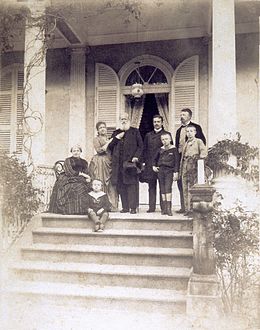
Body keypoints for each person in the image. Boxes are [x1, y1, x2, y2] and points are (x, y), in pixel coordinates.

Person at [108, 113, 143, 214]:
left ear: (129, 120)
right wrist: (117, 138)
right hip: (118, 164)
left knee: (131, 185)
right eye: (122, 119)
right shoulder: (116, 133)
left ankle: (133, 207)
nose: (123, 121)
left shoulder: (134, 132)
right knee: (121, 185)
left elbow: (140, 146)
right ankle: (125, 207)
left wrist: (136, 156)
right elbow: (110, 146)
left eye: (125, 119)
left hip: (130, 163)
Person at [175, 108, 206, 213]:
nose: (181, 116)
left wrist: (199, 162)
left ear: (189, 116)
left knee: (192, 184)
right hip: (182, 160)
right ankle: (185, 207)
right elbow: (177, 147)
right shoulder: (179, 130)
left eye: (183, 115)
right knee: (182, 185)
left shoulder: (196, 128)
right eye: (181, 114)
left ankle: (193, 208)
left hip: (194, 162)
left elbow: (203, 148)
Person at [142, 115, 173, 213]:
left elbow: (171, 149)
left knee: (163, 186)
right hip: (150, 164)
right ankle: (151, 207)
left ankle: (164, 208)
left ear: (162, 123)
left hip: (162, 165)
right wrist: (144, 163)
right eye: (155, 121)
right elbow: (145, 149)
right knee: (151, 186)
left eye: (158, 121)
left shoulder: (166, 134)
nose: (156, 123)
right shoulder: (148, 135)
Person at [49, 145, 91, 215]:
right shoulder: (68, 160)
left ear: (80, 152)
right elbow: (69, 171)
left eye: (78, 151)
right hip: (68, 177)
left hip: (80, 178)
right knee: (74, 186)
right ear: (71, 152)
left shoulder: (84, 162)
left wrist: (86, 176)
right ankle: (72, 209)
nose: (76, 152)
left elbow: (86, 172)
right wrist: (82, 175)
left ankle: (81, 209)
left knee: (84, 185)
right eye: (74, 151)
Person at [89, 121, 118, 211]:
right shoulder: (96, 139)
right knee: (102, 181)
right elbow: (100, 150)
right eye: (100, 128)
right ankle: (102, 205)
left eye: (104, 127)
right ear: (98, 130)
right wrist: (109, 142)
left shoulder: (109, 138)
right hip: (100, 162)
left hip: (110, 161)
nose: (102, 129)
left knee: (111, 183)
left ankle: (112, 205)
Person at [180, 125, 208, 215]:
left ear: (195, 132)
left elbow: (204, 153)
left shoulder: (199, 141)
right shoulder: (186, 143)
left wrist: (197, 160)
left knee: (192, 187)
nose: (189, 133)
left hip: (193, 167)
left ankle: (193, 209)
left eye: (191, 131)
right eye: (187, 131)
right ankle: (187, 209)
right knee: (185, 188)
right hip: (185, 166)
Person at [153, 133, 179, 216]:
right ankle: (164, 208)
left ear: (170, 139)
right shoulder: (160, 149)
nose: (165, 141)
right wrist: (154, 166)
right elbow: (154, 159)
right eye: (163, 139)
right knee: (162, 188)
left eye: (166, 139)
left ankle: (169, 208)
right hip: (161, 171)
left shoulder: (174, 149)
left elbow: (177, 162)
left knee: (168, 188)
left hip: (169, 171)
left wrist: (176, 172)